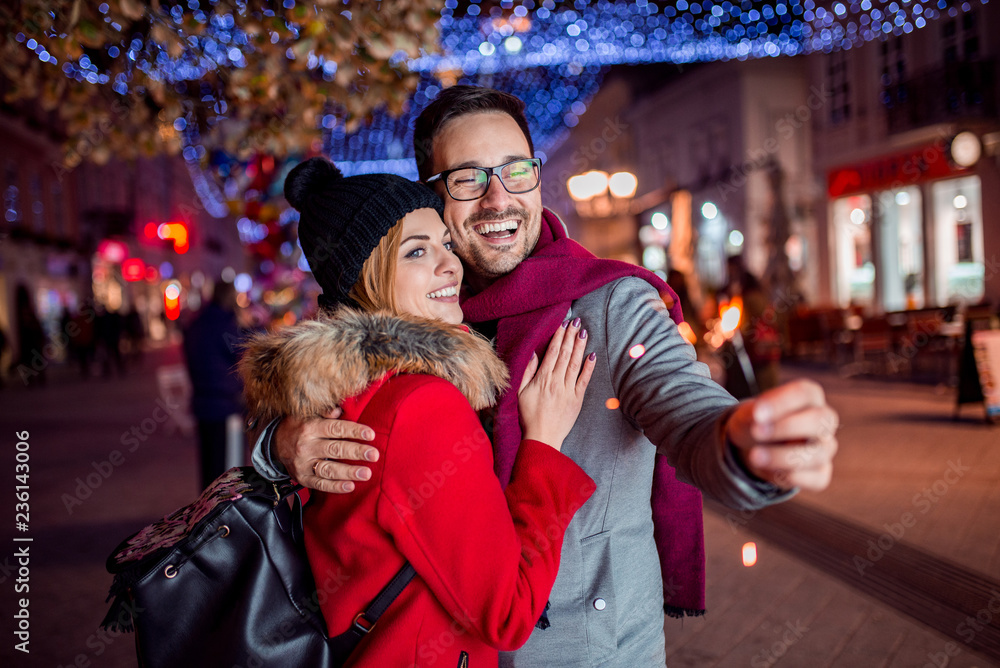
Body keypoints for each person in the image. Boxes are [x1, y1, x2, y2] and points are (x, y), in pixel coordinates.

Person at [256, 87, 839, 665]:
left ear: (537, 176)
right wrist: (280, 446)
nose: (497, 198)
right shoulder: (413, 321)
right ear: (432, 198)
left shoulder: (610, 303)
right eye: (467, 178)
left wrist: (743, 445)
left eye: (515, 170)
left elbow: (685, 409)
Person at [239, 158, 597, 666]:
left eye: (445, 245)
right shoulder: (422, 405)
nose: (449, 264)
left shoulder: (350, 389)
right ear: (365, 276)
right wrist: (545, 445)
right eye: (416, 251)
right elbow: (508, 615)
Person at [182, 281, 244, 489]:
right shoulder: (224, 324)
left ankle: (205, 510)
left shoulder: (197, 322)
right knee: (225, 465)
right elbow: (240, 351)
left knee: (207, 462)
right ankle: (219, 512)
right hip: (223, 402)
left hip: (202, 400)